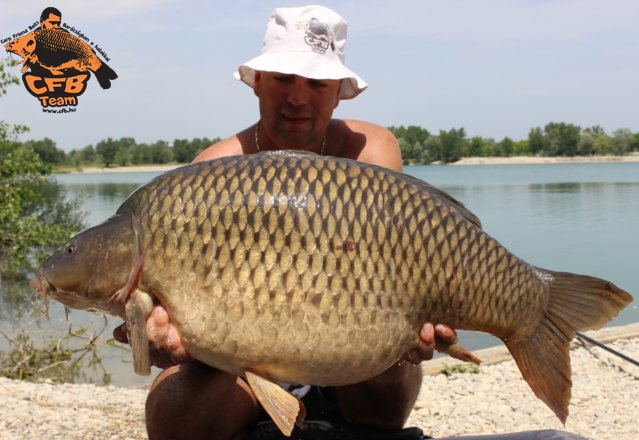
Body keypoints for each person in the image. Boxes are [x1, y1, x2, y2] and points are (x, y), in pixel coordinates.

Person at [114, 6, 582, 440]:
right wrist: (173, 337)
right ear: (257, 81)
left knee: (390, 375)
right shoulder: (210, 169)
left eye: (317, 83)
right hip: (236, 363)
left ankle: (533, 308)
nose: (298, 96)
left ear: (339, 92)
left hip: (347, 346)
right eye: (282, 77)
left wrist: (427, 307)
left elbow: (399, 258)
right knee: (173, 419)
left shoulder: (370, 150)